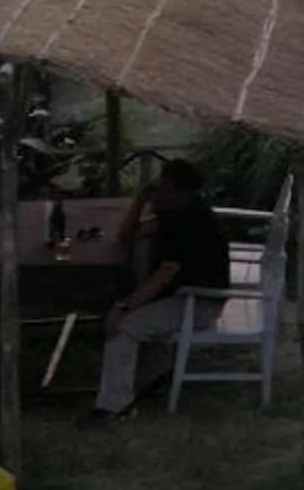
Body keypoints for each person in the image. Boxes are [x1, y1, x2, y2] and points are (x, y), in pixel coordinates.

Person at [87, 159, 232, 423]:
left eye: (164, 188)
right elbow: (127, 236)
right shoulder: (172, 213)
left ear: (183, 192)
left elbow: (165, 275)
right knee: (128, 312)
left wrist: (124, 307)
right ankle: (149, 375)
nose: (158, 192)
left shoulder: (193, 222)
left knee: (124, 326)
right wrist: (140, 200)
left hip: (199, 303)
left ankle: (114, 407)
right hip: (181, 296)